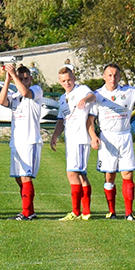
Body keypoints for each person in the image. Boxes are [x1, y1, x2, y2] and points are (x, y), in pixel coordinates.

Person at [89, 63, 135, 221]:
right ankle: (111, 211)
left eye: (115, 75)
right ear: (104, 76)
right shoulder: (98, 95)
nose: (112, 78)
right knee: (109, 176)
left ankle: (129, 213)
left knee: (128, 174)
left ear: (120, 77)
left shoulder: (128, 91)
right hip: (107, 138)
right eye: (109, 75)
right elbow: (90, 120)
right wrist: (93, 136)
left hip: (124, 136)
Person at [50, 65, 96, 221]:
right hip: (71, 141)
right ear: (60, 82)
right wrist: (55, 135)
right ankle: (85, 212)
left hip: (81, 138)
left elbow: (92, 96)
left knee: (73, 173)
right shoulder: (63, 99)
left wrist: (85, 99)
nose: (67, 83)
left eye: (69, 79)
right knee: (80, 175)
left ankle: (77, 211)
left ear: (74, 78)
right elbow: (61, 120)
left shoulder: (82, 89)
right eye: (64, 81)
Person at [0, 64, 44, 220]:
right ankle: (29, 211)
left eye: (26, 78)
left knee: (26, 177)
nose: (23, 81)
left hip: (30, 140)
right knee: (19, 178)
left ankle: (26, 213)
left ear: (30, 78)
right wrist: (7, 79)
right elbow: (2, 100)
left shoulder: (36, 90)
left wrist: (14, 76)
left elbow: (25, 92)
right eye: (21, 78)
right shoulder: (14, 94)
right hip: (16, 142)